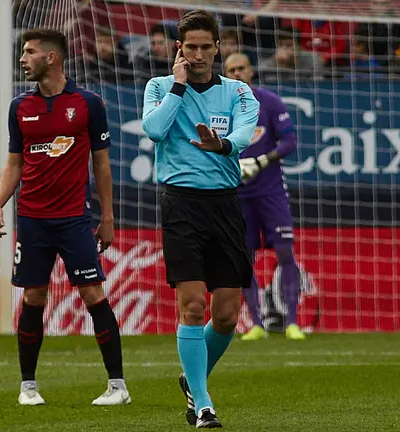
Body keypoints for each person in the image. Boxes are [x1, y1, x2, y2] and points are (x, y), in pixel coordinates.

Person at [0, 28, 129, 406]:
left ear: (51, 57)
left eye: (29, 52)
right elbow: (14, 163)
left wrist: (108, 217)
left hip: (73, 219)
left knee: (92, 293)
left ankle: (118, 385)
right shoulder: (20, 107)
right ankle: (28, 386)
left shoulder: (87, 104)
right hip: (32, 220)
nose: (22, 58)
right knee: (34, 297)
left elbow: (102, 165)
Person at [141, 10, 260, 429]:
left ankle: (191, 378)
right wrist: (177, 86)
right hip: (181, 205)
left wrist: (222, 144)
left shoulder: (239, 92)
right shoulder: (159, 86)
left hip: (225, 205)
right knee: (192, 307)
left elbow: (244, 138)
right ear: (179, 49)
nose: (197, 55)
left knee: (227, 314)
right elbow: (154, 131)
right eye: (189, 47)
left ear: (216, 48)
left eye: (204, 47)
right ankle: (203, 403)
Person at [222, 52, 305, 342]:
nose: (236, 73)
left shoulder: (269, 102)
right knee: (245, 258)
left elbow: (290, 141)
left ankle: (293, 321)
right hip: (238, 194)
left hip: (271, 191)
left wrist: (262, 160)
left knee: (284, 252)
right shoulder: (221, 108)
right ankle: (256, 322)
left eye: (241, 68)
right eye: (230, 69)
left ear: (251, 70)